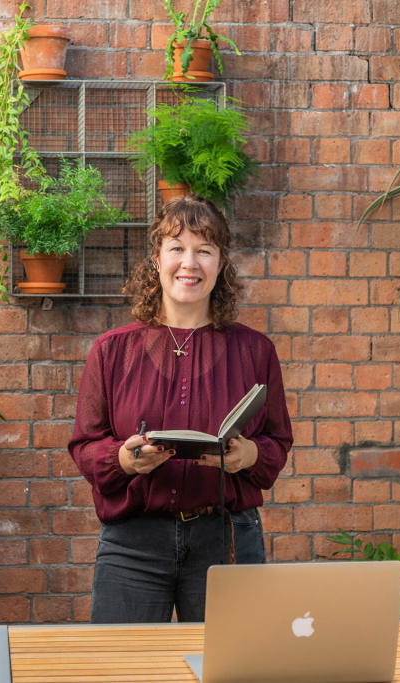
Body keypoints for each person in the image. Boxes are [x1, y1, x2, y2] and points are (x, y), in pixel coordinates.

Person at [68, 195, 293, 624]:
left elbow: (278, 440)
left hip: (226, 540)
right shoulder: (112, 350)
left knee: (232, 662)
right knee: (123, 661)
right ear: (156, 259)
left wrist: (250, 455)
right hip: (133, 543)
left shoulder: (256, 351)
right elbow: (84, 444)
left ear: (221, 264)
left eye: (204, 250)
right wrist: (123, 460)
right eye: (176, 248)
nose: (189, 263)